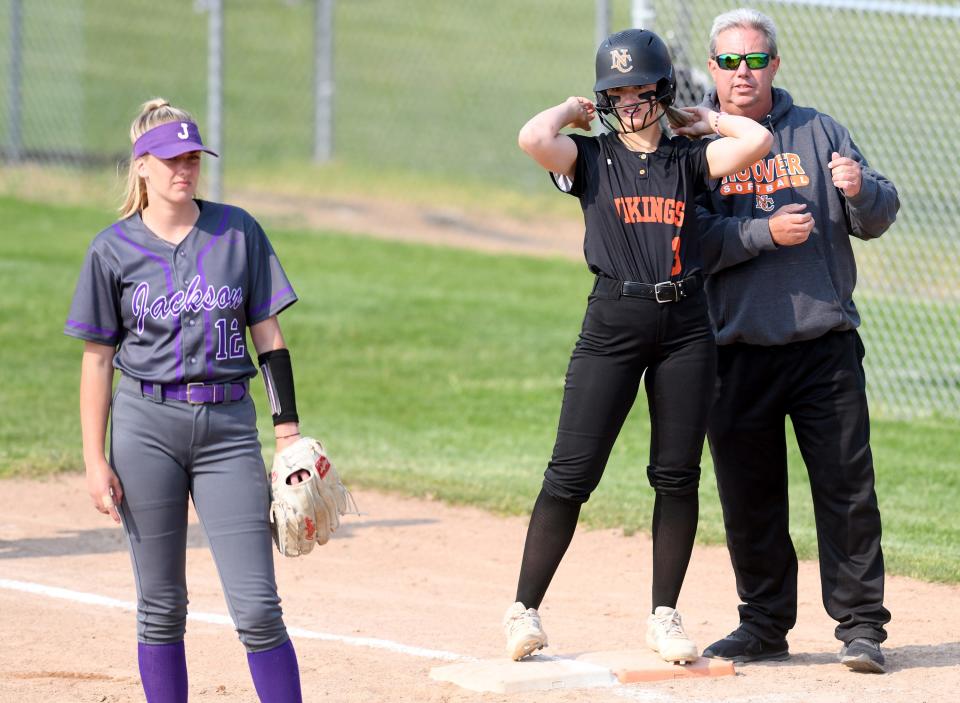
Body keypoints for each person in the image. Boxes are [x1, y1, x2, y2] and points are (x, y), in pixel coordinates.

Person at [503, 29, 772, 664]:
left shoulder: (688, 159)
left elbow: (756, 140)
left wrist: (703, 119)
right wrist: (573, 111)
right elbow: (531, 139)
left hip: (684, 325)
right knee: (572, 472)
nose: (628, 101)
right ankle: (524, 610)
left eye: (639, 88)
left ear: (662, 90)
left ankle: (665, 615)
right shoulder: (590, 160)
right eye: (616, 91)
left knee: (676, 474)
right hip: (613, 321)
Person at [64, 98, 308, 701]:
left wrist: (287, 435)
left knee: (257, 608)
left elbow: (269, 339)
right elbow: (97, 361)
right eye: (172, 158)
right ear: (141, 166)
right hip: (145, 427)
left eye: (193, 157)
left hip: (228, 427)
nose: (185, 169)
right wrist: (95, 460)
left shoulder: (238, 231)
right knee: (161, 606)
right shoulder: (111, 250)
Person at [691, 9, 899, 674]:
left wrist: (861, 190)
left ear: (774, 65)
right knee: (749, 495)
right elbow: (684, 239)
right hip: (733, 347)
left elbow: (879, 212)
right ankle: (763, 622)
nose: (742, 73)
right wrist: (761, 233)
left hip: (822, 346)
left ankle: (862, 625)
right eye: (729, 61)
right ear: (713, 69)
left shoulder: (817, 129)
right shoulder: (694, 140)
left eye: (755, 60)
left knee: (846, 490)